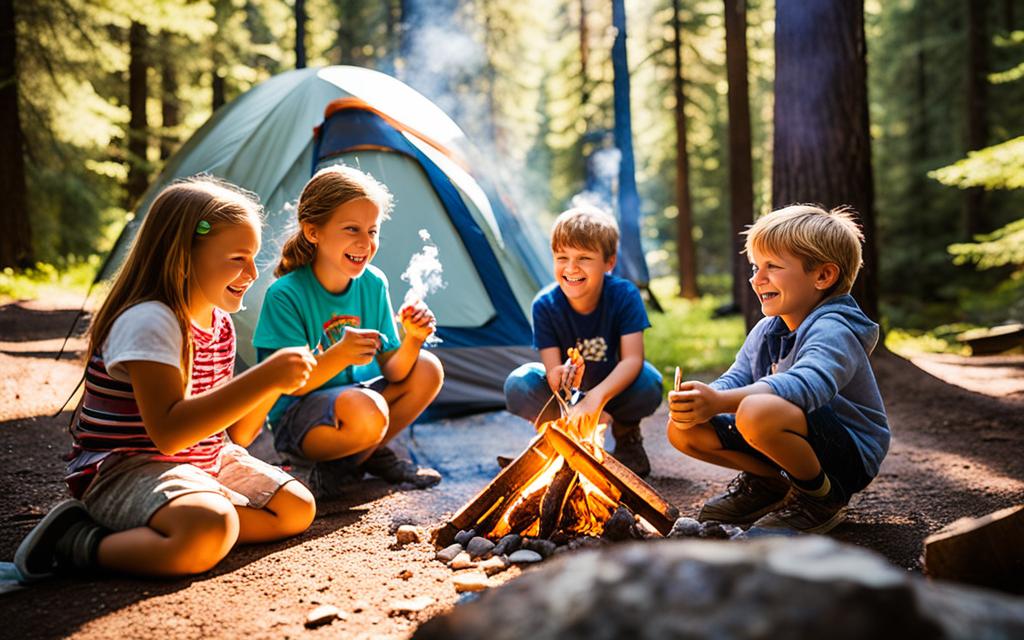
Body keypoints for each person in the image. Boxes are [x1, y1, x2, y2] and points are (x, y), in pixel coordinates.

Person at [14, 177, 318, 581]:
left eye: (253, 258)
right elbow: (170, 433)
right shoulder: (150, 320)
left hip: (204, 462)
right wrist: (263, 375)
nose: (250, 273)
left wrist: (274, 384)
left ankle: (179, 527)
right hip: (128, 468)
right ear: (182, 257)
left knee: (296, 508)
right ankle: (76, 541)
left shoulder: (219, 323)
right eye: (236, 258)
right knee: (209, 527)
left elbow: (239, 435)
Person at [667, 204, 889, 533]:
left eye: (772, 266)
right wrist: (704, 398)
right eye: (756, 266)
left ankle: (819, 500)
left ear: (823, 276)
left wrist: (721, 402)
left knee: (756, 411)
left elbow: (806, 385)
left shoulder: (835, 329)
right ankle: (774, 486)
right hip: (792, 434)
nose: (756, 279)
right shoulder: (769, 327)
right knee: (682, 428)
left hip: (845, 454)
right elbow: (738, 377)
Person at [253, 165, 443, 496]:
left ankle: (351, 463)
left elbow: (395, 371)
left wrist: (413, 338)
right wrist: (338, 355)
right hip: (300, 418)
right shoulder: (285, 295)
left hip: (361, 402)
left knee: (427, 368)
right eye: (352, 229)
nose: (364, 242)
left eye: (372, 231)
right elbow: (290, 386)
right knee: (367, 410)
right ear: (313, 232)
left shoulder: (373, 283)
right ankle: (333, 463)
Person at [504, 206, 663, 477]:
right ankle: (558, 440)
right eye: (561, 257)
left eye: (584, 258)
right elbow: (552, 369)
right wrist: (562, 376)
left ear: (609, 262)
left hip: (613, 388)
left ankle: (627, 438)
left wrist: (595, 399)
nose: (571, 268)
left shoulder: (624, 295)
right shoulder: (544, 304)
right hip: (567, 397)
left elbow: (633, 359)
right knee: (520, 382)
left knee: (649, 381)